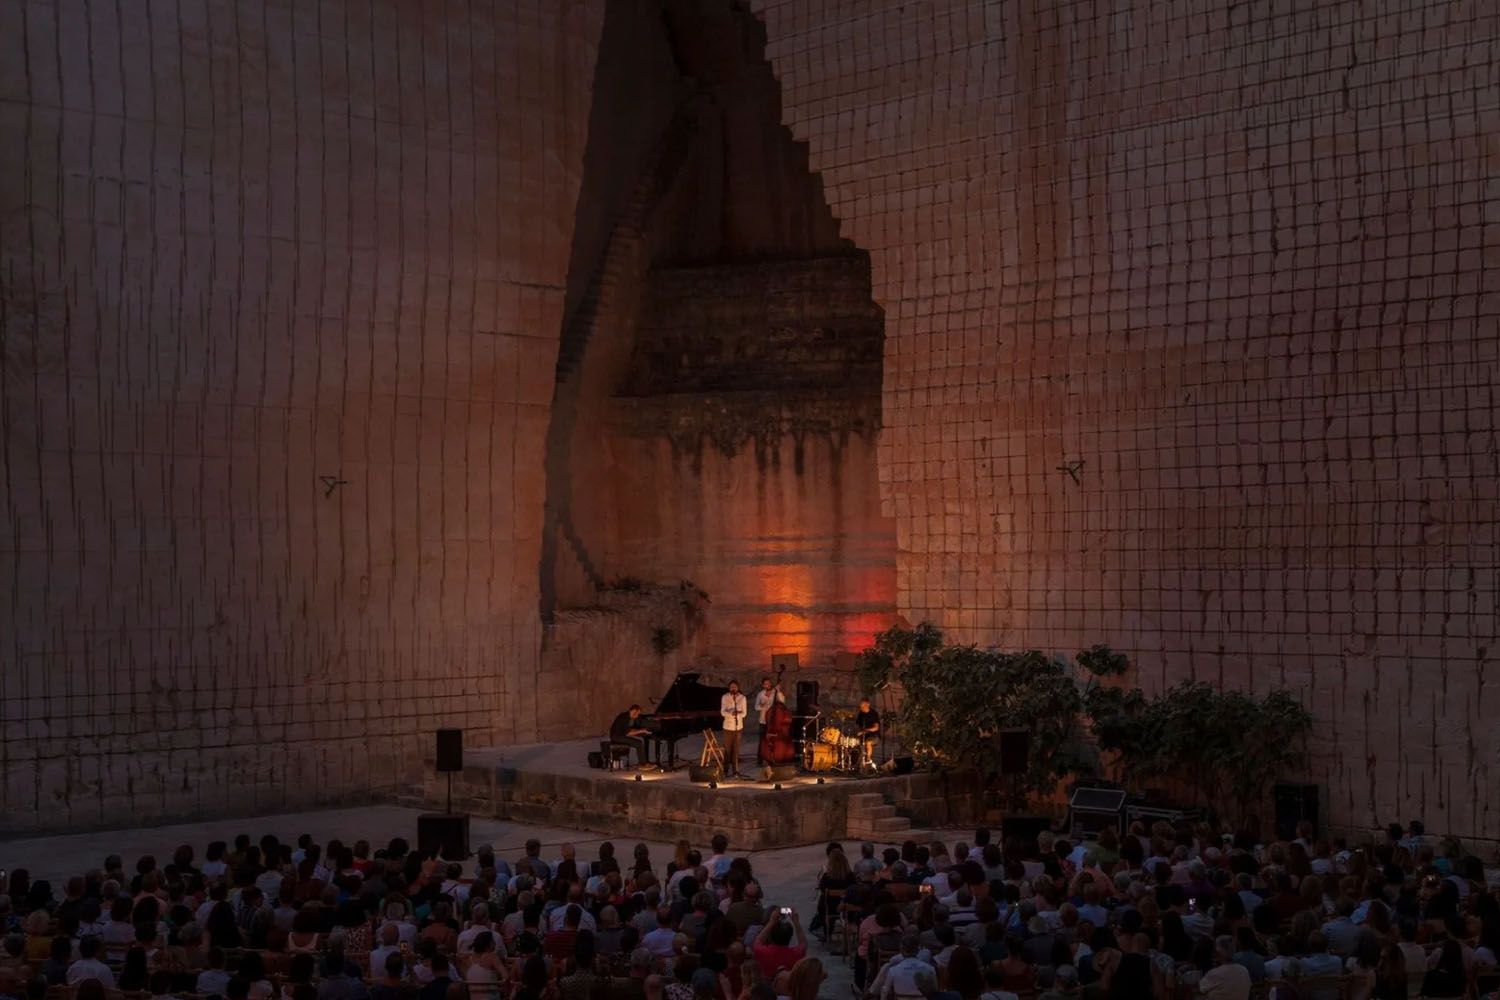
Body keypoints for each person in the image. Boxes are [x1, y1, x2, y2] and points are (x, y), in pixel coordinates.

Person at [751, 909, 806, 980]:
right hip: (786, 986)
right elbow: (803, 943)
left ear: (770, 935)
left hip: (767, 986)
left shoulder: (761, 951)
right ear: (790, 936)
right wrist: (796, 922)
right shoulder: (797, 953)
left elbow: (758, 940)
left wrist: (771, 922)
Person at [754, 678, 786, 765]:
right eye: (765, 684)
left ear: (770, 684)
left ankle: (772, 757)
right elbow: (756, 707)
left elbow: (782, 701)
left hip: (773, 721)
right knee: (762, 740)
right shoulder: (760, 694)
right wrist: (762, 706)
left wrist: (778, 691)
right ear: (763, 685)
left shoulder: (774, 693)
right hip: (763, 720)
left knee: (773, 740)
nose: (767, 685)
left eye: (768, 683)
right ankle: (760, 759)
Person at [720, 682, 748, 779]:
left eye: (735, 686)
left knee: (736, 750)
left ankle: (736, 771)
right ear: (729, 688)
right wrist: (731, 713)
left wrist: (738, 714)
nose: (733, 688)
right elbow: (722, 712)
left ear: (738, 688)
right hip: (727, 727)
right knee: (727, 750)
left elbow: (744, 713)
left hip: (738, 727)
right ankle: (725, 771)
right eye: (731, 687)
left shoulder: (742, 698)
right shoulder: (725, 697)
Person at [855, 698, 881, 768]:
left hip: (874, 736)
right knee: (857, 745)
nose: (861, 708)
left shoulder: (874, 714)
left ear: (868, 705)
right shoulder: (861, 714)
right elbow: (858, 726)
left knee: (868, 742)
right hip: (863, 736)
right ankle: (859, 765)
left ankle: (868, 759)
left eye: (863, 706)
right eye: (860, 706)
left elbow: (876, 728)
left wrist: (865, 731)